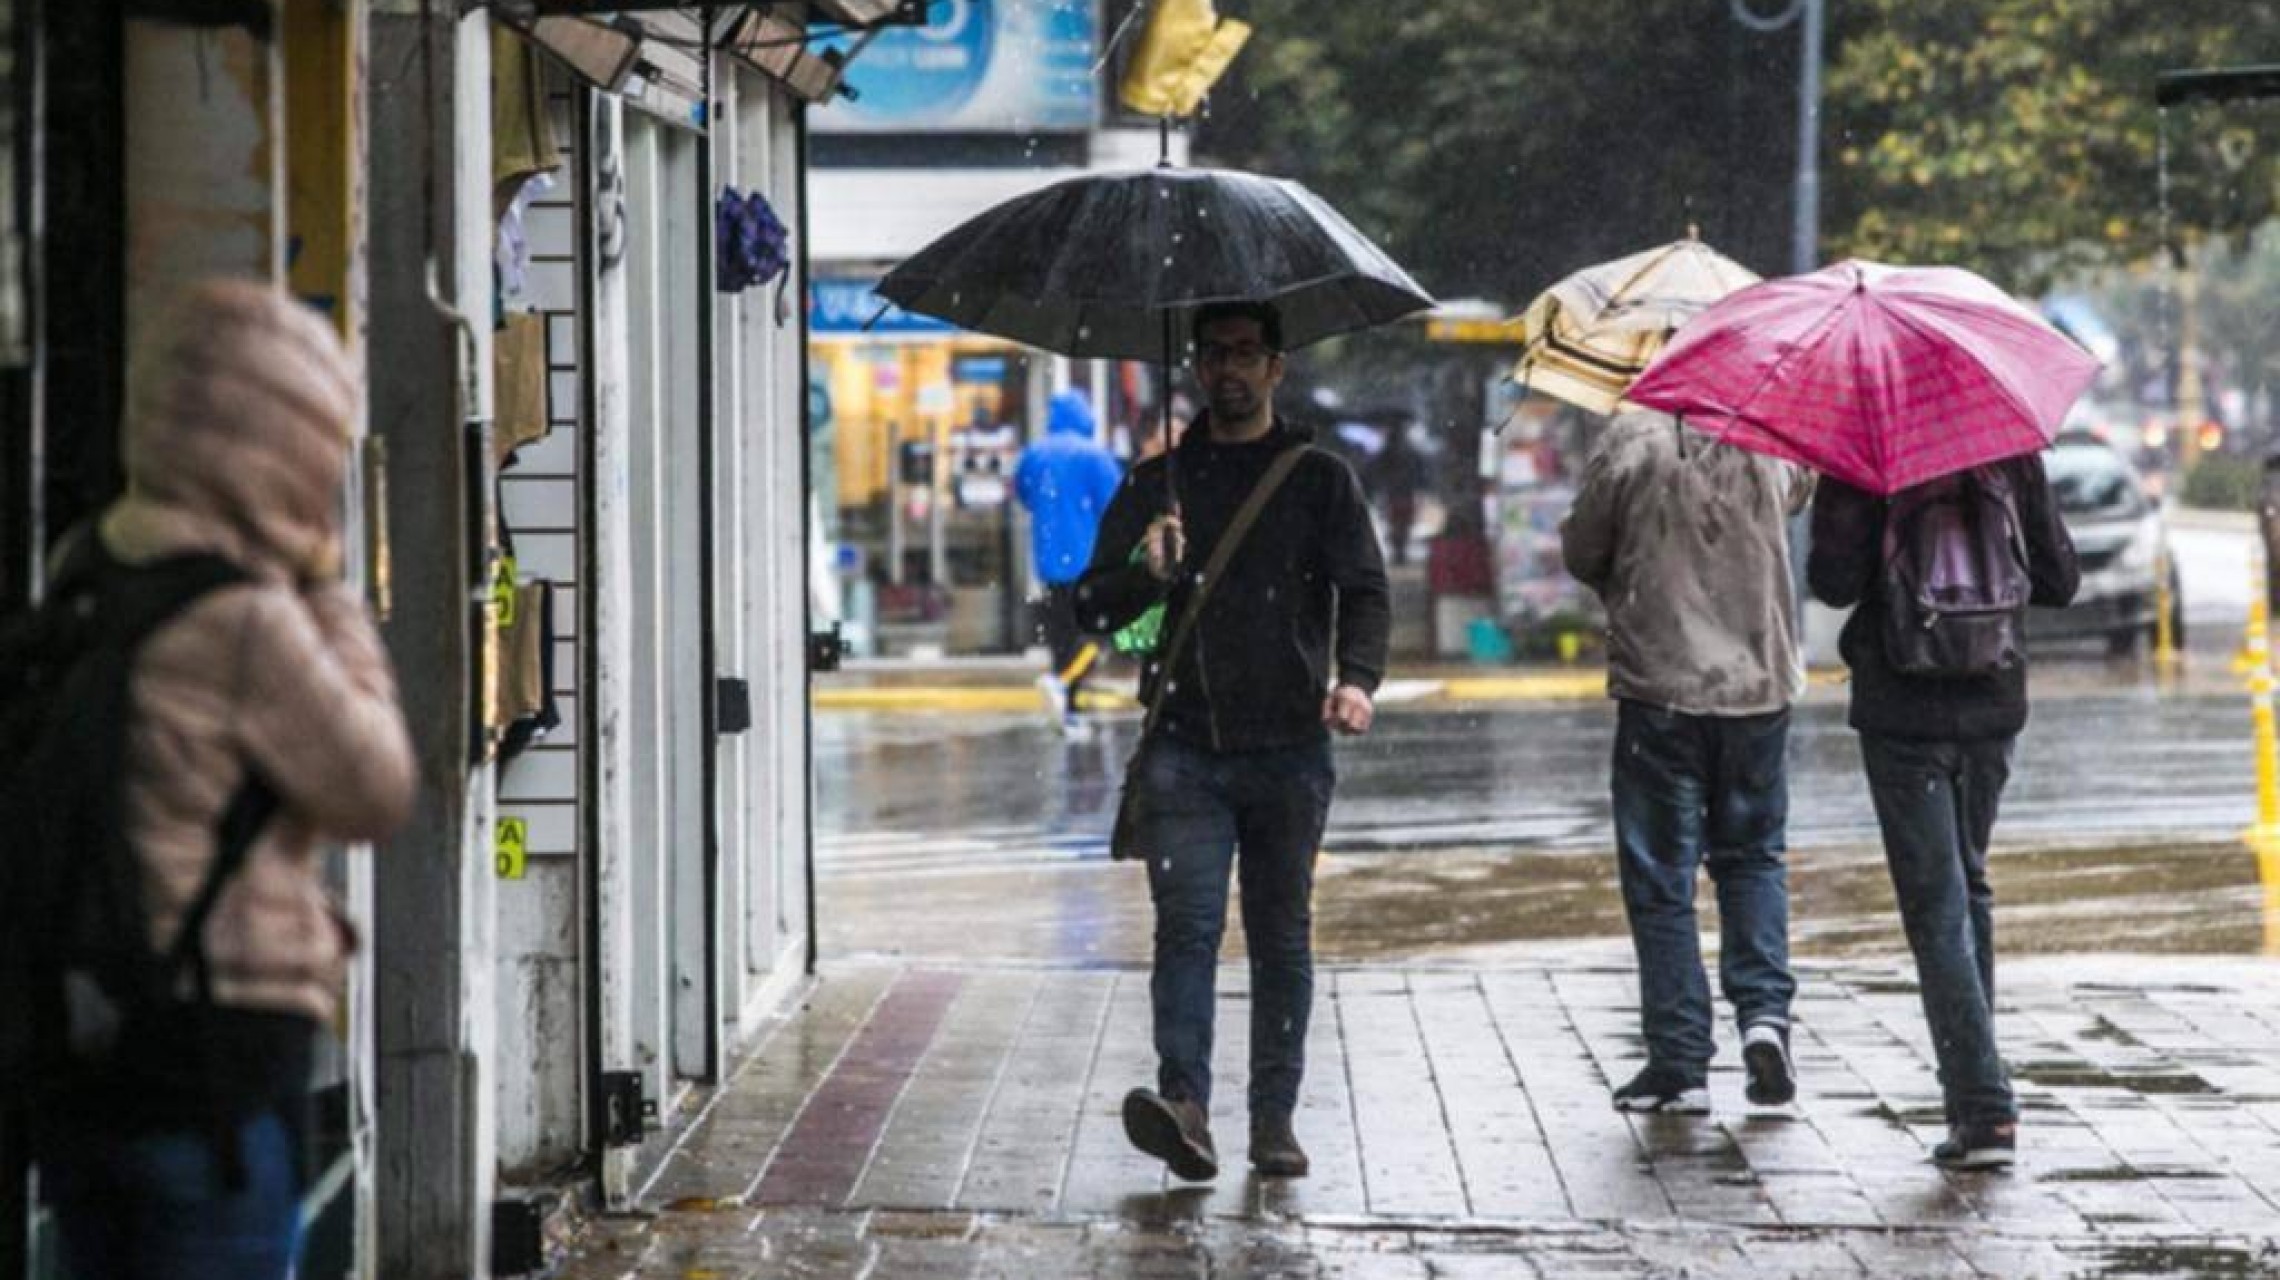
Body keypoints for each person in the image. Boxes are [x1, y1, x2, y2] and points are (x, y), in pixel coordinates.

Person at [34, 279, 418, 1279]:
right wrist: (328, 589)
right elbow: (374, 783)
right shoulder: (245, 618)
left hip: (82, 1055)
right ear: (287, 447)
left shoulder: (87, 561)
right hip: (214, 1062)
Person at [1076, 300, 1390, 1182]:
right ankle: (1186, 1108)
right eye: (1214, 354)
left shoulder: (1317, 477)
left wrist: (1357, 679)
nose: (1230, 369)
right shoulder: (1158, 483)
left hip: (1291, 749)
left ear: (1276, 368)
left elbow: (1365, 590)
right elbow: (1091, 608)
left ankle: (1273, 1121)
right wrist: (1146, 571)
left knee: (1282, 936)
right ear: (1195, 367)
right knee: (1188, 930)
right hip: (1185, 748)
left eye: (1247, 354)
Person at [1808, 455, 2077, 1169]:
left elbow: (1831, 582)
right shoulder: (2009, 451)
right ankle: (1971, 1100)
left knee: (1937, 906)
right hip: (1992, 698)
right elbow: (2060, 580)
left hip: (1904, 710)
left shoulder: (1867, 456)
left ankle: (1984, 1107)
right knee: (1968, 886)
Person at [1560, 408, 1813, 1115]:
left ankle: (1679, 1061)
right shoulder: (1776, 433)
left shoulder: (1632, 437)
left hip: (1662, 686)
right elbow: (1797, 494)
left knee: (1662, 877)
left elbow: (1584, 552)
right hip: (1759, 688)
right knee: (1754, 858)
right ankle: (1764, 1016)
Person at [1013, 391, 1122, 733]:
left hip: (1050, 561)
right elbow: (1117, 504)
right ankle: (1063, 686)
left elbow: (1024, 494)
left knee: (1062, 635)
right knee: (1096, 636)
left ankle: (1069, 709)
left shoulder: (1035, 454)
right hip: (1089, 561)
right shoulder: (1094, 456)